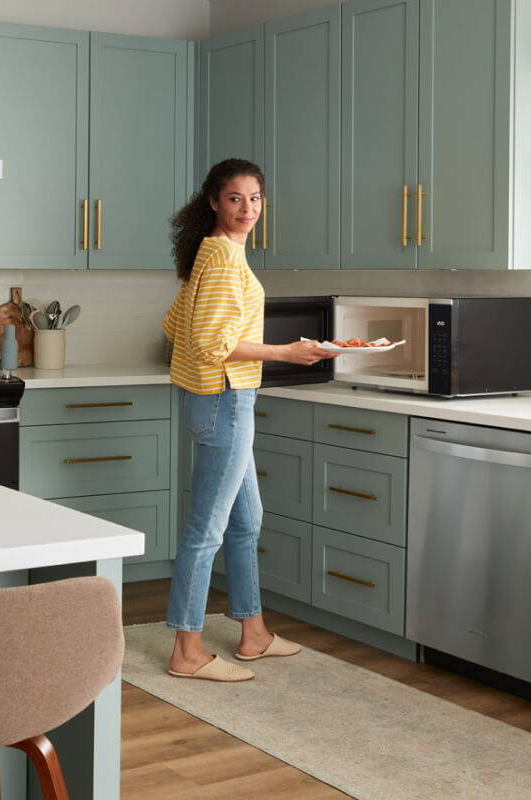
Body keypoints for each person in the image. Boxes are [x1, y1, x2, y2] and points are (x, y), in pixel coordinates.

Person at [161, 158, 336, 682]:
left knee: (245, 521)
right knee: (206, 529)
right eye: (236, 198)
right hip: (224, 402)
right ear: (214, 200)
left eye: (255, 198)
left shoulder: (213, 255)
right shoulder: (220, 258)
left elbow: (175, 325)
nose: (248, 209)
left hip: (220, 401)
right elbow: (211, 343)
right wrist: (288, 351)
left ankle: (253, 633)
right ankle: (187, 652)